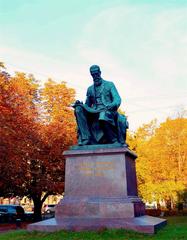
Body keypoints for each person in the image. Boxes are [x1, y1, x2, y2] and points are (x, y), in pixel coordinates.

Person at [73, 65, 128, 146]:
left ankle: (113, 140)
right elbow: (87, 104)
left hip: (108, 110)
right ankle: (86, 138)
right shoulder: (90, 89)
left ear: (100, 73)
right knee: (78, 109)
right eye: (93, 75)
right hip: (94, 112)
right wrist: (80, 105)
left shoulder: (109, 84)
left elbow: (117, 99)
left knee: (103, 115)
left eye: (96, 74)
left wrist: (112, 105)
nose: (95, 76)